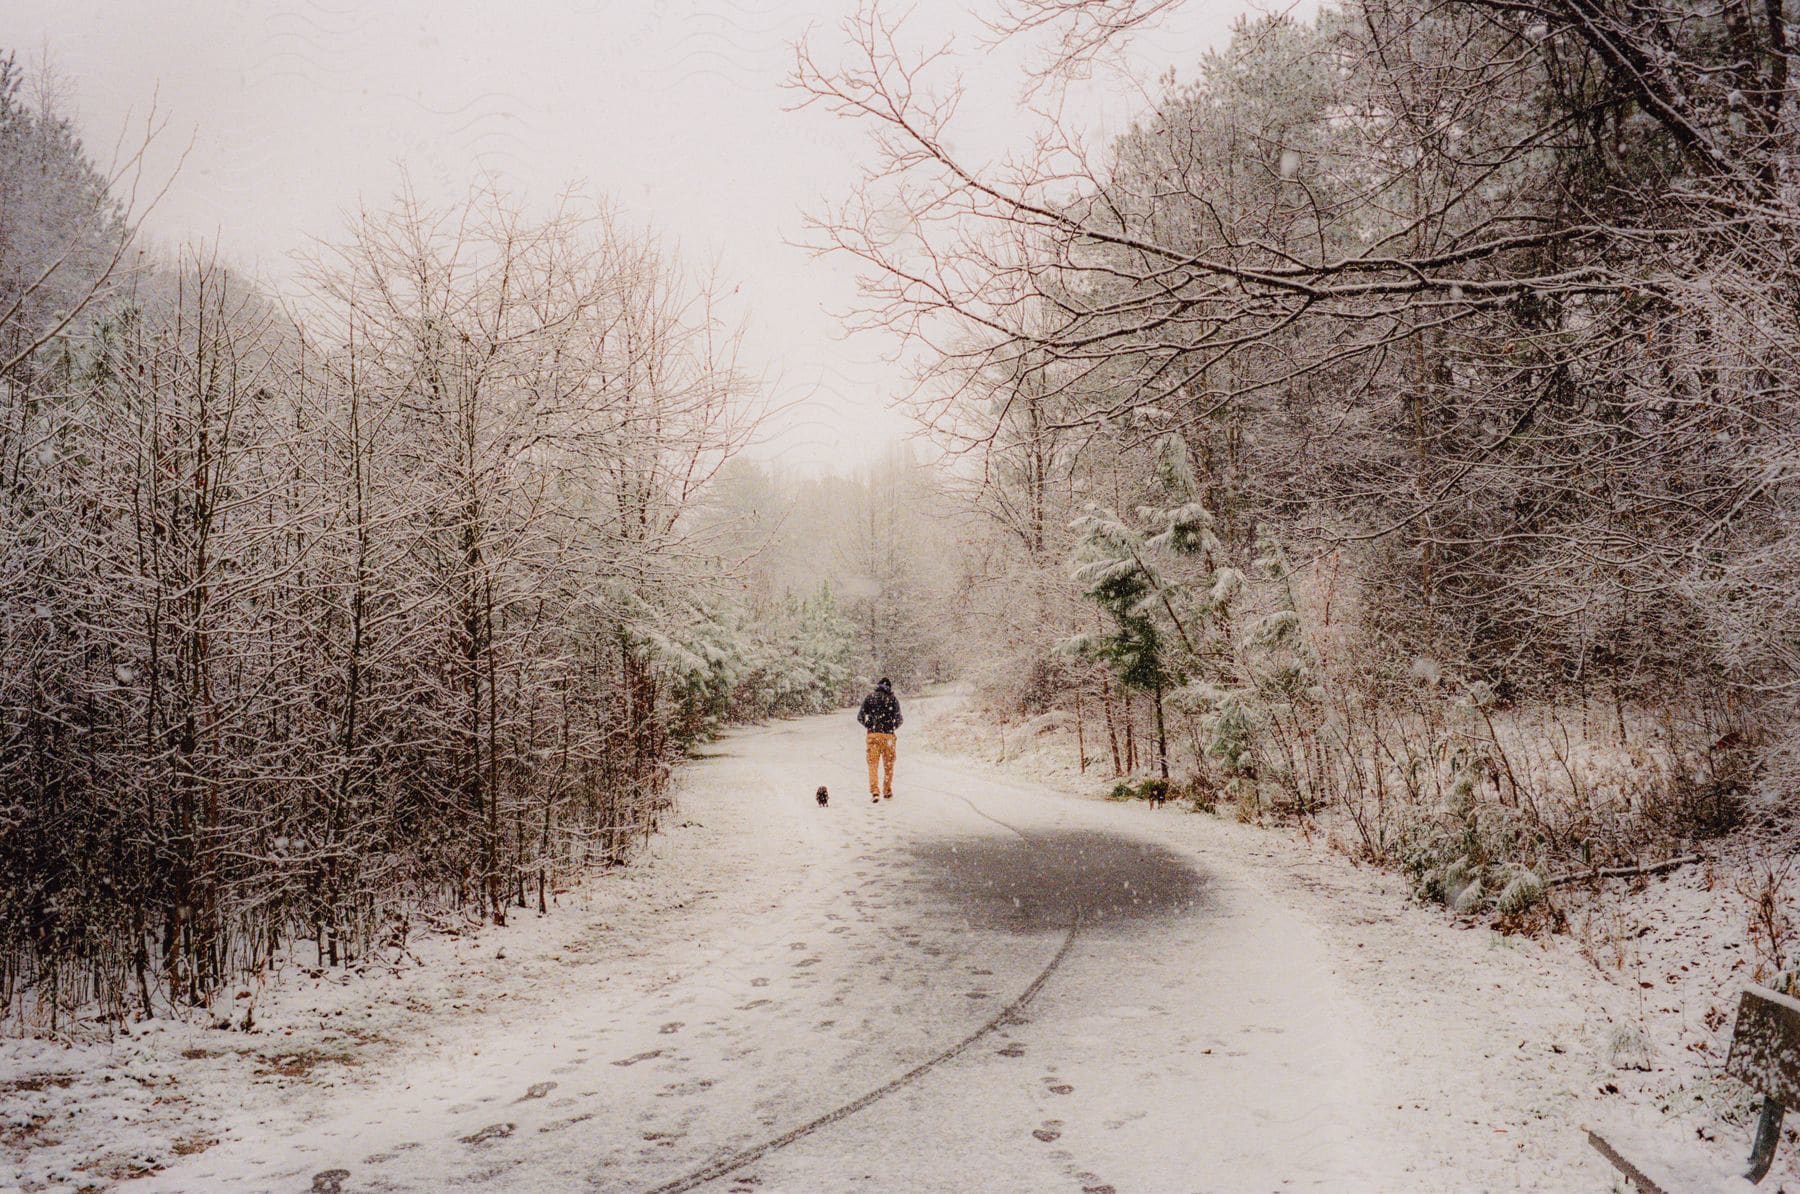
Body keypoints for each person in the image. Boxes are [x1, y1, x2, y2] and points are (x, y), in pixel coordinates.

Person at [856, 677, 903, 803]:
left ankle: (875, 792)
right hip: (888, 737)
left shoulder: (870, 698)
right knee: (888, 765)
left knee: (873, 765)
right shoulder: (893, 699)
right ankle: (887, 791)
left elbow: (860, 717)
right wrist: (891, 728)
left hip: (873, 736)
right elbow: (899, 720)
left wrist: (870, 726)